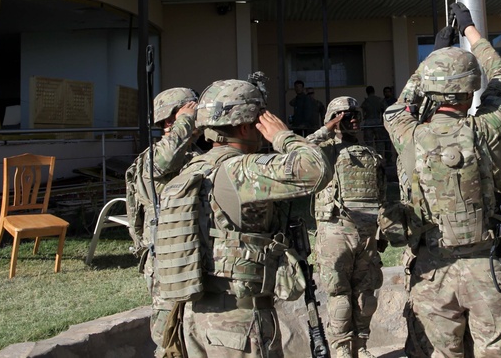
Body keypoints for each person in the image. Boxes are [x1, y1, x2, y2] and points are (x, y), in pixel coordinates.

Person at [384, 3, 501, 358]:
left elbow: (399, 105)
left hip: (432, 269)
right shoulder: (488, 128)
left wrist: (434, 57)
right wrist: (470, 31)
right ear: (470, 91)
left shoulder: (407, 133)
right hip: (489, 266)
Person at [178, 79, 331, 358]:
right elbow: (316, 169)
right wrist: (282, 136)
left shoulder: (192, 169)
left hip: (197, 317)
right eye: (259, 118)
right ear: (246, 125)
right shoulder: (241, 170)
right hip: (239, 323)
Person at [306, 96, 386, 358]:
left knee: (366, 296)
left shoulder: (371, 153)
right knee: (339, 294)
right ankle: (342, 351)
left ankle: (361, 347)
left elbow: (381, 196)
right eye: (343, 115)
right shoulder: (322, 151)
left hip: (367, 233)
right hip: (335, 229)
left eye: (355, 115)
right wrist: (327, 128)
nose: (351, 119)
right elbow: (297, 151)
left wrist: (382, 230)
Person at [125, 87, 199, 357]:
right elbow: (163, 161)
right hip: (167, 266)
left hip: (193, 260)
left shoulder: (193, 156)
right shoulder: (152, 159)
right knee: (169, 340)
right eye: (180, 118)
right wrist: (185, 120)